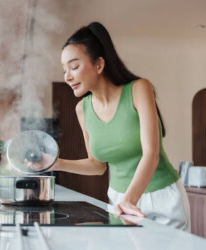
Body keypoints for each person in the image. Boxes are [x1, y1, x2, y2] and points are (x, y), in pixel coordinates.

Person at [51, 21, 191, 231]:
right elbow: (97, 165)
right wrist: (56, 163)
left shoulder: (139, 89)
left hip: (161, 198)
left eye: (74, 66)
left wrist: (130, 199)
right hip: (119, 200)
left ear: (99, 64)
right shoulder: (83, 109)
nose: (68, 76)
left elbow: (151, 154)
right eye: (64, 69)